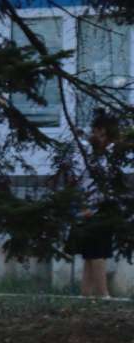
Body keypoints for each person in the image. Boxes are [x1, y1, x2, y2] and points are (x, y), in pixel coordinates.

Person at [70, 112, 125, 299]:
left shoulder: (106, 153)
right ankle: (103, 295)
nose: (108, 140)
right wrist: (83, 206)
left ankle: (85, 295)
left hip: (103, 207)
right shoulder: (85, 153)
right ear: (99, 131)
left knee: (91, 255)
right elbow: (79, 180)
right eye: (104, 134)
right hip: (89, 209)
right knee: (96, 254)